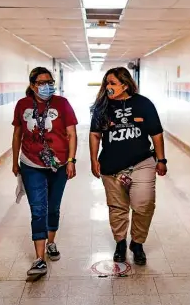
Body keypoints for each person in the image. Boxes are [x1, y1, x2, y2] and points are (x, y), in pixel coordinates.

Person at [89, 67, 167, 266]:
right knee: (117, 208)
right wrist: (93, 159)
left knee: (144, 204)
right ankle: (121, 243)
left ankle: (137, 243)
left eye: (113, 83)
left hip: (142, 162)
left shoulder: (143, 104)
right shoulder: (102, 107)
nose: (108, 87)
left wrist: (161, 160)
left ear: (125, 85)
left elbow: (156, 133)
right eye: (107, 83)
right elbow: (95, 134)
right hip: (111, 165)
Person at [12, 67, 78, 277]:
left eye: (50, 81)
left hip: (58, 164)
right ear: (32, 85)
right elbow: (17, 134)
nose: (47, 86)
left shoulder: (62, 103)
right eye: (41, 82)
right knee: (38, 208)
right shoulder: (22, 105)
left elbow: (72, 133)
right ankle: (39, 259)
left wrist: (70, 160)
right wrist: (15, 161)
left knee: (53, 207)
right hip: (31, 164)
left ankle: (51, 243)